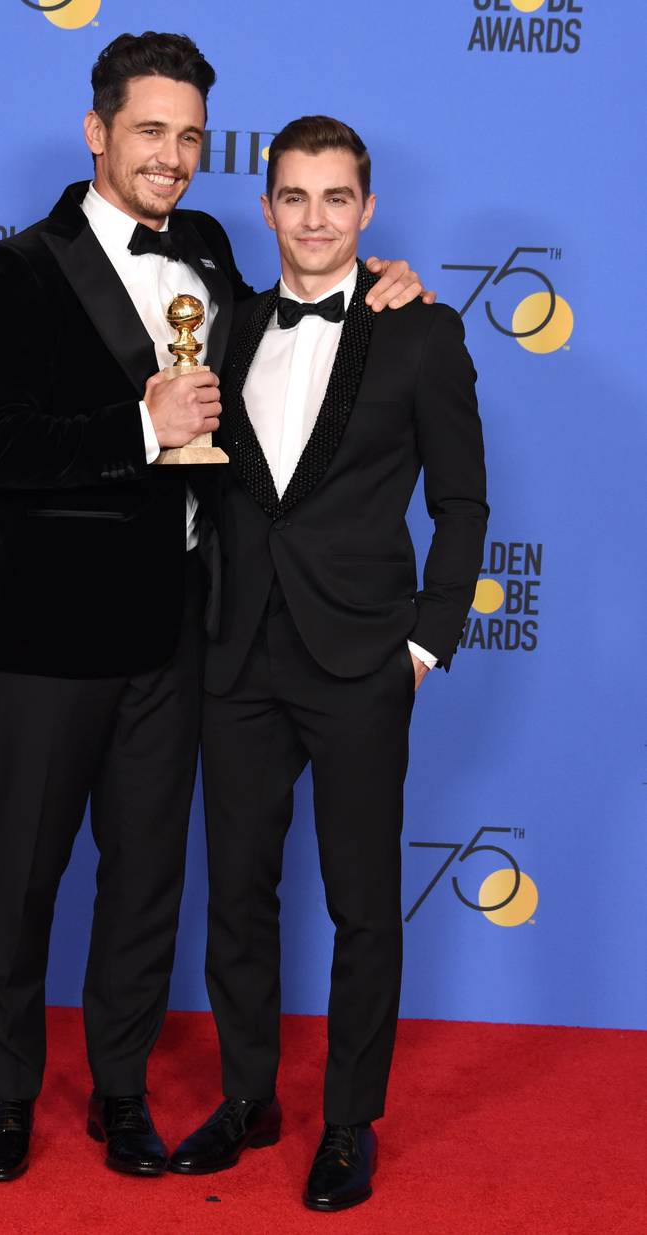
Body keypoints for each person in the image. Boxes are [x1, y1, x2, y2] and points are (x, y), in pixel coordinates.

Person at [0, 34, 426, 1184]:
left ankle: (120, 1091)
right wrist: (137, 427)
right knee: (19, 871)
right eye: (150, 131)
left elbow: (300, 334)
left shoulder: (211, 248)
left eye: (191, 137)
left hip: (181, 632)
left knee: (147, 874)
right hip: (45, 636)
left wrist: (382, 291)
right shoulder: (14, 270)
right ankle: (9, 1095)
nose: (171, 155)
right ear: (97, 131)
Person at [168, 116, 488, 1212]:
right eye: (293, 197)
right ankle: (247, 1095)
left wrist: (419, 645)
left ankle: (347, 1121)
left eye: (334, 198)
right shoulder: (226, 323)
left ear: (365, 209)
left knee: (360, 900)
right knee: (237, 893)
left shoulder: (421, 333)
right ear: (263, 209)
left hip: (359, 656)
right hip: (237, 649)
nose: (313, 219)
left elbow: (460, 507)